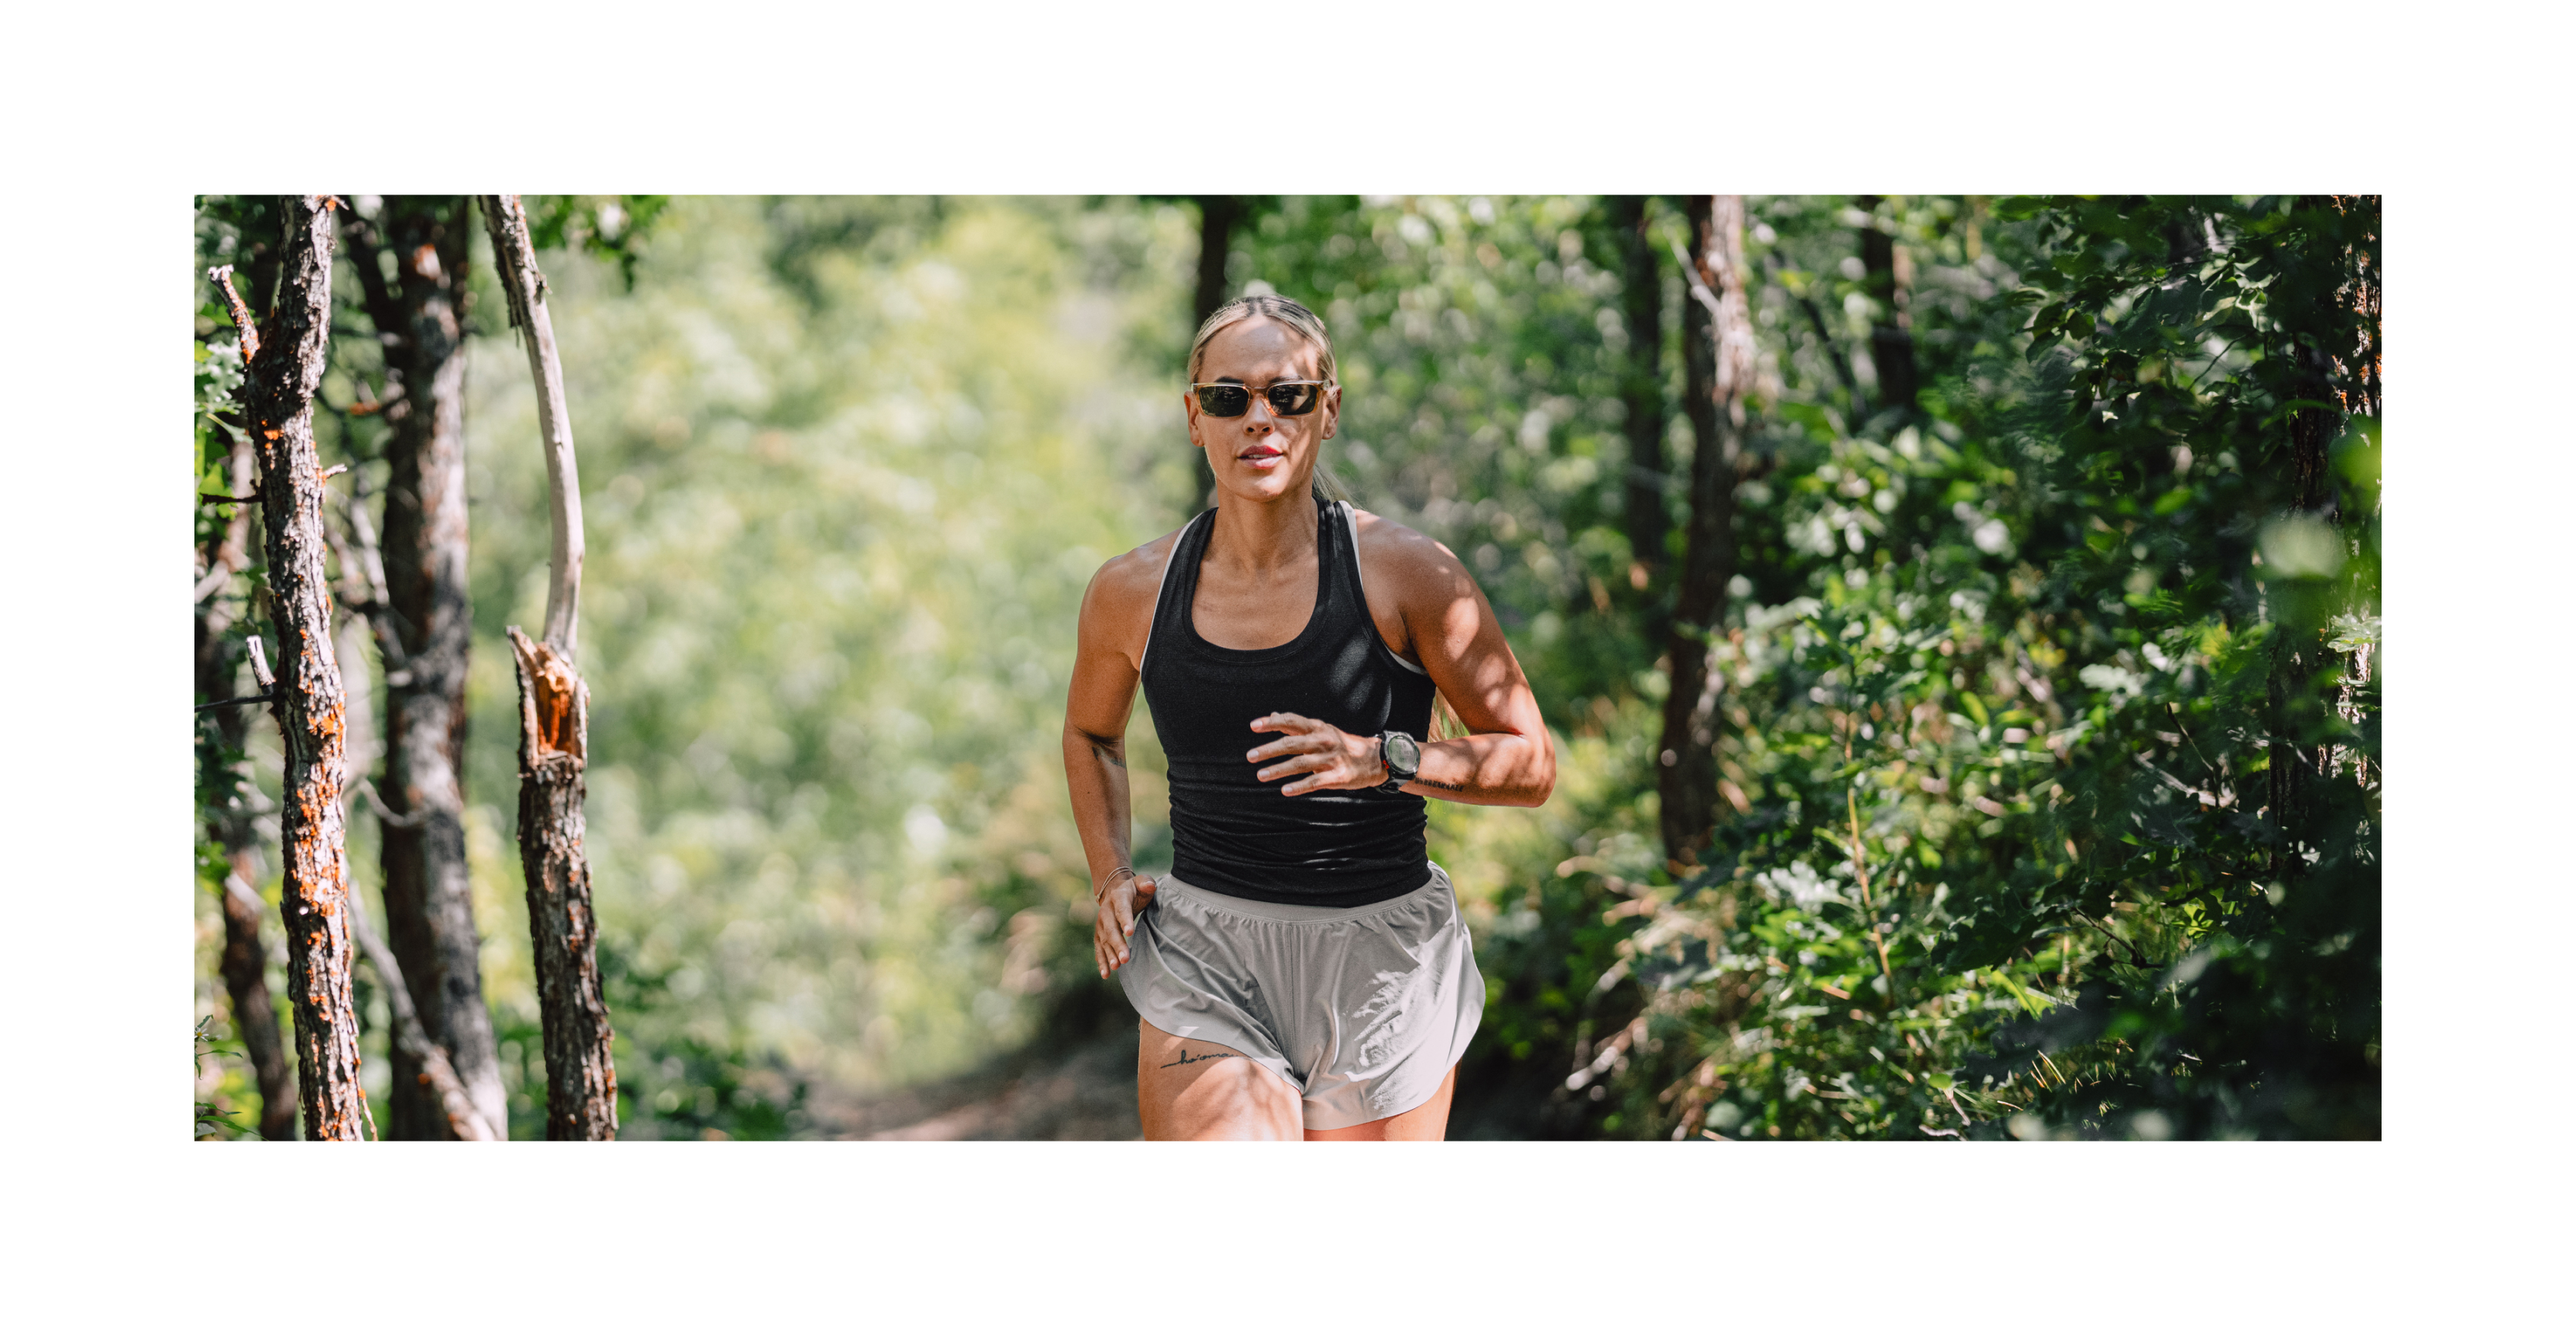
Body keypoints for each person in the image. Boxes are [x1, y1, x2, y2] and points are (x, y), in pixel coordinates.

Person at [1062, 293, 1555, 1141]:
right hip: (1207, 956)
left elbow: (1530, 762)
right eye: (1229, 397)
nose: (1260, 418)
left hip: (1384, 964)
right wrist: (1109, 873)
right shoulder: (1131, 591)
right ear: (1195, 417)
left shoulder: (1411, 575)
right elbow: (1090, 733)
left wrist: (1385, 759)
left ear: (1327, 409)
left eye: (1287, 395)